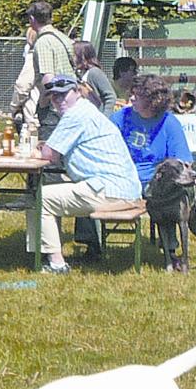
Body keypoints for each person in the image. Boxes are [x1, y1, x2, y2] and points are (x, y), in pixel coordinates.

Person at [31, 73, 141, 274]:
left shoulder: (75, 115)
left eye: (64, 95)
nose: (59, 100)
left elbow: (49, 154)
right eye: (54, 96)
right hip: (125, 188)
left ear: (77, 92)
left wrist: (39, 149)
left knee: (41, 198)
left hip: (109, 190)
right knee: (51, 194)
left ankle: (55, 264)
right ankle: (41, 252)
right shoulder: (87, 110)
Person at [11, 0, 78, 143]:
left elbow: (48, 79)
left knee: (49, 159)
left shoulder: (43, 42)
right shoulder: (63, 38)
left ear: (32, 19)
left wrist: (42, 104)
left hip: (54, 108)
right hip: (72, 101)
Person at [111, 73, 195, 187]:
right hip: (122, 181)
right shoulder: (119, 118)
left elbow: (182, 161)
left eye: (138, 95)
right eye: (132, 93)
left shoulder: (169, 123)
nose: (131, 98)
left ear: (153, 100)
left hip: (158, 187)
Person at [72, 39, 115, 111]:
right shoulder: (80, 73)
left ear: (82, 56)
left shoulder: (95, 72)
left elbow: (110, 96)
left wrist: (105, 117)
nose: (72, 58)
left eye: (74, 55)